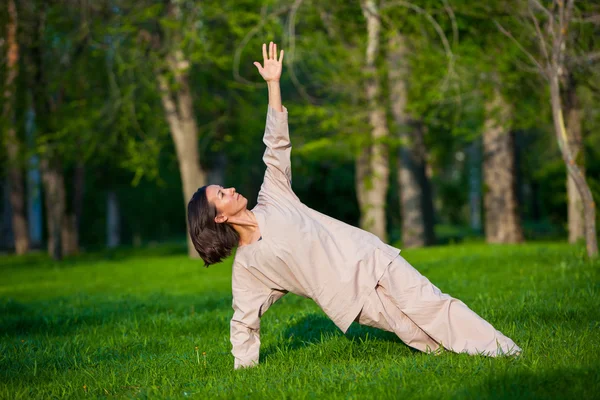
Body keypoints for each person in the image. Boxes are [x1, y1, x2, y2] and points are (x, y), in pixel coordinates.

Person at [187, 42, 522, 369]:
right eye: (222, 194)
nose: (230, 189)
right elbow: (244, 321)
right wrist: (243, 370)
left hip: (370, 258)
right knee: (419, 336)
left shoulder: (273, 195)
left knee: (431, 305)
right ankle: (464, 362)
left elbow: (276, 143)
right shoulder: (249, 266)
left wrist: (274, 84)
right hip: (352, 300)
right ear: (218, 217)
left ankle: (505, 352)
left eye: (224, 188)